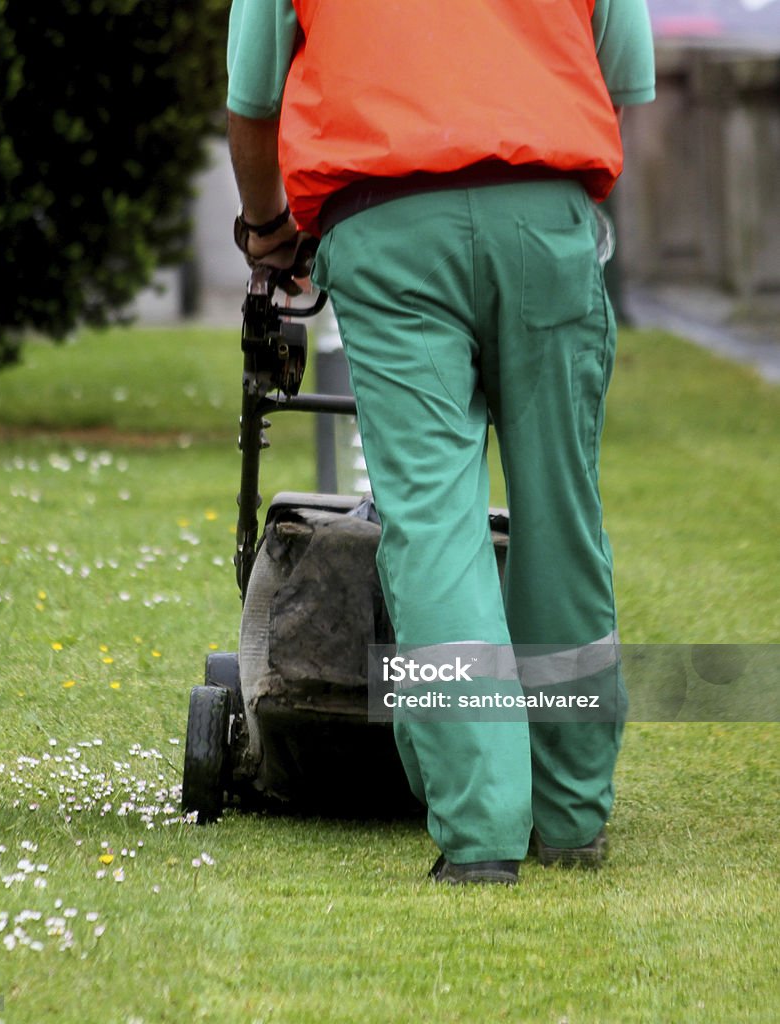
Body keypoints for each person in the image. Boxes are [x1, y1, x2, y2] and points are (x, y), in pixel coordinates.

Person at [226, 0, 656, 885]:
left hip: (388, 226)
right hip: (545, 215)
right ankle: (571, 814)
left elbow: (253, 101)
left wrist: (270, 234)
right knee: (560, 517)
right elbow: (622, 82)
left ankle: (481, 831)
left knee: (432, 526)